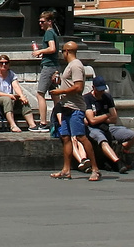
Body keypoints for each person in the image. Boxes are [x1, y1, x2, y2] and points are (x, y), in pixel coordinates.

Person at [49, 41, 92, 180]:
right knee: (66, 138)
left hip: (76, 108)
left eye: (62, 51)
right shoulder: (70, 66)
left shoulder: (76, 66)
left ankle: (95, 169)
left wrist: (60, 91)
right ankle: (66, 170)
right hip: (66, 106)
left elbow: (78, 87)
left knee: (81, 137)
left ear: (66, 51)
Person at [83, 77, 134, 174]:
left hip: (108, 126)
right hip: (94, 128)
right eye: (99, 90)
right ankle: (117, 162)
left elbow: (114, 118)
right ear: (93, 87)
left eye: (103, 90)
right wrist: (107, 115)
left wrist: (100, 117)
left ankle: (122, 150)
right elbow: (92, 120)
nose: (101, 92)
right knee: (102, 139)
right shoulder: (87, 99)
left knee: (132, 135)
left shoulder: (107, 97)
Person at [0, 53, 40, 132]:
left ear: (9, 64)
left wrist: (21, 95)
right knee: (7, 99)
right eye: (1, 63)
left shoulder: (11, 74)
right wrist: (9, 95)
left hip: (9, 96)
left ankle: (32, 124)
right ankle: (12, 125)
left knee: (23, 99)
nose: (4, 64)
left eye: (6, 63)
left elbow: (16, 86)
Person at [30, 10, 62, 122]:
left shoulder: (49, 33)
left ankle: (43, 122)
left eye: (42, 21)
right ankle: (61, 121)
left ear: (49, 22)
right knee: (54, 94)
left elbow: (52, 48)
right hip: (55, 66)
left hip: (48, 67)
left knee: (40, 94)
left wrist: (40, 52)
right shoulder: (54, 33)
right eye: (39, 22)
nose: (40, 24)